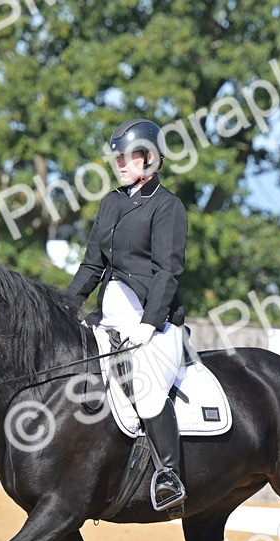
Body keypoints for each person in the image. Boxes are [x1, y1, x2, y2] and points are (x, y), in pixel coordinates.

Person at [67, 118, 188, 511]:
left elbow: (168, 271)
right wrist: (62, 306)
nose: (120, 161)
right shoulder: (112, 202)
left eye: (129, 155)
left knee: (148, 388)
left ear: (150, 157)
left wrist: (150, 323)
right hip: (110, 320)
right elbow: (91, 265)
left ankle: (170, 475)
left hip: (155, 323)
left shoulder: (168, 206)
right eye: (117, 155)